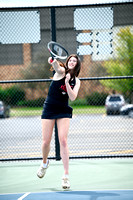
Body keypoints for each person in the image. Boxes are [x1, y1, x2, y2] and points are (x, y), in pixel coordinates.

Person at [37, 54, 81, 189]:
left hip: (63, 110)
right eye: (70, 60)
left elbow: (72, 97)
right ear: (67, 62)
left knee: (63, 140)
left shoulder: (77, 81)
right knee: (46, 141)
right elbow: (56, 66)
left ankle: (66, 177)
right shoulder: (61, 71)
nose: (72, 62)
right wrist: (53, 60)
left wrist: (67, 82)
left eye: (75, 61)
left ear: (77, 65)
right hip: (49, 108)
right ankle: (44, 163)